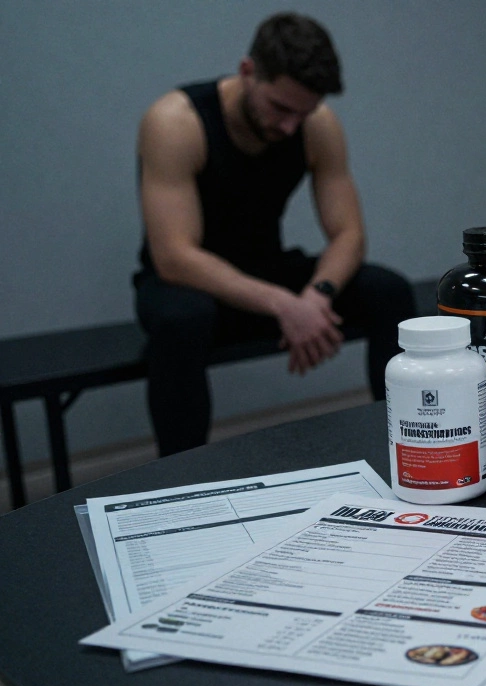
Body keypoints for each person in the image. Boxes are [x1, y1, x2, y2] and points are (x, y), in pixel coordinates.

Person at [134, 13, 416, 456]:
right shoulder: (175, 122)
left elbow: (349, 235)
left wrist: (317, 295)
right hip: (189, 284)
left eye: (301, 114)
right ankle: (179, 478)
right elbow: (174, 256)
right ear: (248, 72)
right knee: (180, 321)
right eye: (280, 108)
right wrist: (283, 304)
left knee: (389, 290)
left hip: (268, 269)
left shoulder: (316, 123)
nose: (289, 126)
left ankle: (406, 445)